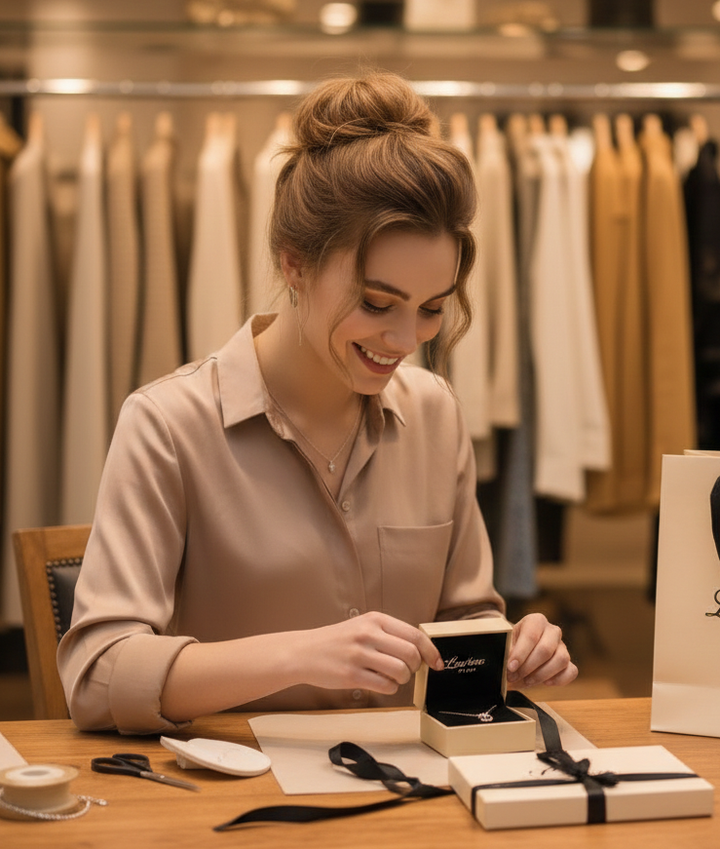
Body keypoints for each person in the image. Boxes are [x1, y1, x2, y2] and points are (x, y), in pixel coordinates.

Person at [57, 70, 576, 735]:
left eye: (431, 310)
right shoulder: (168, 424)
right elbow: (98, 676)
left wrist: (514, 647)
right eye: (376, 303)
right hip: (237, 810)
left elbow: (464, 622)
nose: (402, 340)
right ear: (294, 264)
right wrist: (300, 653)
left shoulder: (436, 414)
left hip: (406, 801)